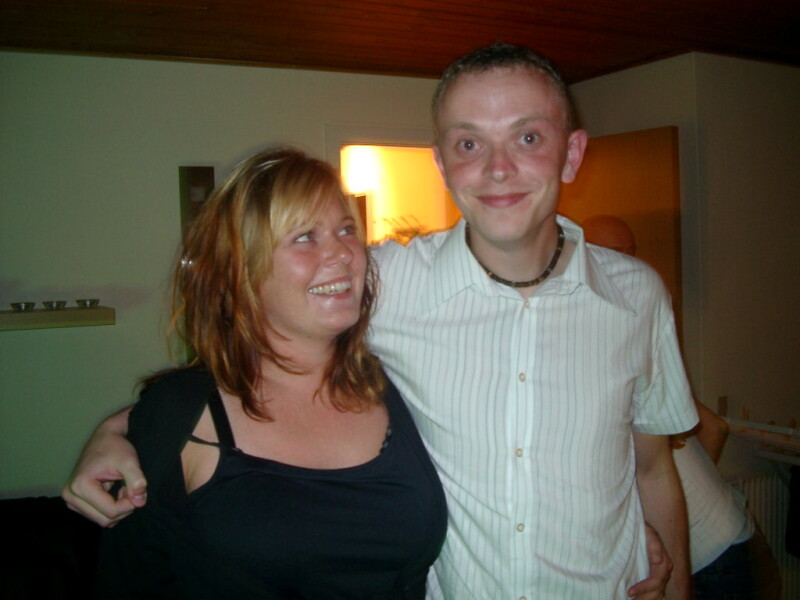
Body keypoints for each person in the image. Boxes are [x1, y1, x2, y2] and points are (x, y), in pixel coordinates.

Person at [65, 43, 698, 599]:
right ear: (442, 165)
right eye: (469, 143)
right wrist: (118, 431)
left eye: (528, 138)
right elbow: (248, 354)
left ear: (572, 153)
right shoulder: (382, 283)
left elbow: (651, 468)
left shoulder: (637, 296)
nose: (498, 168)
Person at [92, 147, 448, 598]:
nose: (342, 253)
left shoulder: (399, 384)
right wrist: (121, 429)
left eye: (346, 229)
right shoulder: (183, 414)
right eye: (305, 237)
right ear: (240, 269)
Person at [584, 213, 782, 599]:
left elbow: (712, 429)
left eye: (630, 254)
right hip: (732, 532)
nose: (626, 267)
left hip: (714, 557)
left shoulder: (623, 352)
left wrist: (685, 510)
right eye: (613, 254)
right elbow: (714, 428)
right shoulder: (615, 349)